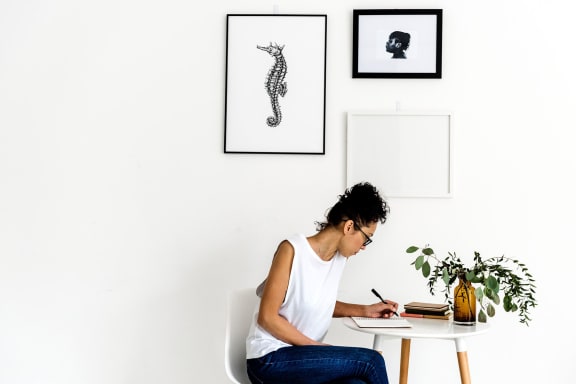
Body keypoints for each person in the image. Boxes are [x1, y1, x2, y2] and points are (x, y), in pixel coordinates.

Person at [246, 182, 396, 384]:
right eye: (366, 239)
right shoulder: (292, 250)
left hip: (304, 358)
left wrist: (366, 310)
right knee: (371, 361)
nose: (364, 247)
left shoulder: (339, 259)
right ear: (349, 226)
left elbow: (315, 302)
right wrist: (315, 347)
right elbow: (267, 318)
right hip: (269, 359)